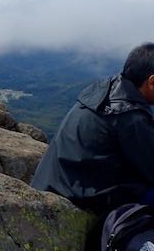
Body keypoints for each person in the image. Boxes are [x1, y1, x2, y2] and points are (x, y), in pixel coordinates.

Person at [31, 43, 154, 214]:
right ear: (151, 82)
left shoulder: (108, 88)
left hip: (56, 181)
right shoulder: (129, 115)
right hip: (82, 195)